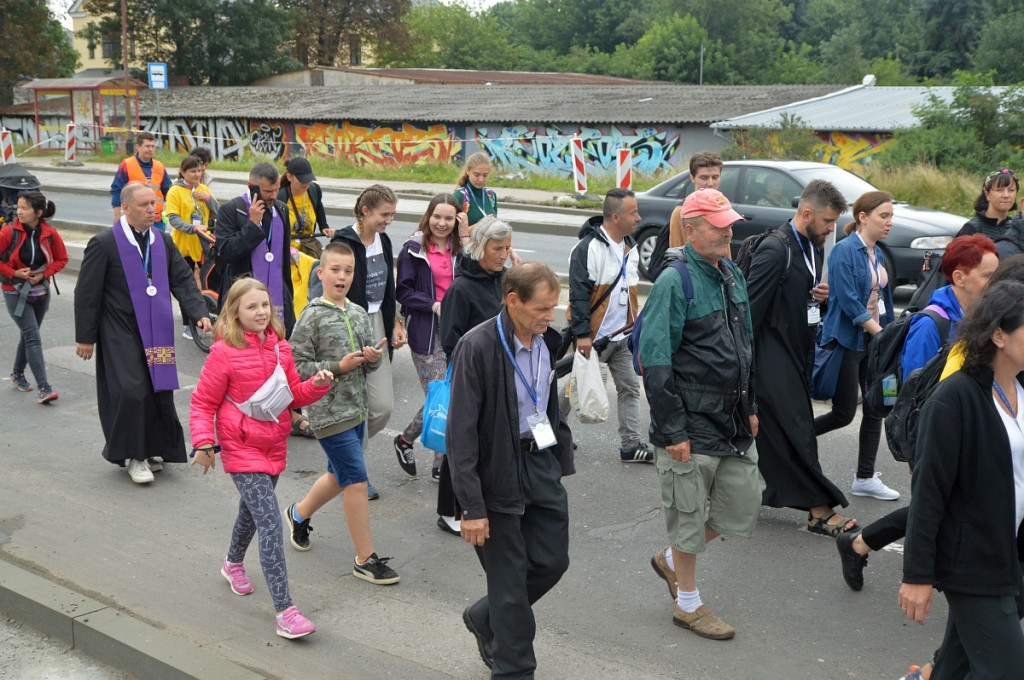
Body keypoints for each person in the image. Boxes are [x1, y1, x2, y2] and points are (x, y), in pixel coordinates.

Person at [835, 235, 1000, 594]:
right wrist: (918, 452)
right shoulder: (933, 324)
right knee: (938, 506)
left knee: (944, 506)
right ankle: (869, 547)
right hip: (933, 434)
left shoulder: (978, 317)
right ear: (960, 277)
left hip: (969, 432)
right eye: (988, 276)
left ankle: (860, 544)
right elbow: (914, 398)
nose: (995, 283)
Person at [640, 189, 762, 641]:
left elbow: (745, 344)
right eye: (718, 225)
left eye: (729, 223)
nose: (728, 232)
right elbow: (653, 359)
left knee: (744, 504)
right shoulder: (675, 281)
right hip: (688, 422)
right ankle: (687, 604)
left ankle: (670, 560)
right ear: (690, 231)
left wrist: (750, 407)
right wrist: (672, 429)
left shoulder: (730, 272)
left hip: (729, 419)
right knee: (688, 516)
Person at [188, 277, 332, 640]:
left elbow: (290, 394)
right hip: (240, 448)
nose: (261, 312)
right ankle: (286, 611)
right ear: (235, 311)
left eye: (265, 305)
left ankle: (231, 563)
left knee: (251, 512)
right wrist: (204, 443)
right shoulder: (223, 352)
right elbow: (203, 403)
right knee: (269, 522)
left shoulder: (281, 348)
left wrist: (316, 386)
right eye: (252, 306)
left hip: (274, 444)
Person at [449, 261, 574, 676]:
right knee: (509, 584)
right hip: (496, 472)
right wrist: (471, 507)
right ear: (513, 300)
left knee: (552, 561)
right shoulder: (478, 346)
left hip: (538, 461)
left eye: (554, 307)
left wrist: (558, 461)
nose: (550, 317)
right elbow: (461, 435)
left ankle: (486, 617)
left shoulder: (546, 340)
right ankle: (514, 669)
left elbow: (547, 405)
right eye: (542, 308)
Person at [899, 279, 1024, 679]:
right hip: (974, 561)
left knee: (955, 664)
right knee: (1006, 670)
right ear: (1000, 335)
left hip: (1012, 553)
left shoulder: (1020, 388)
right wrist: (917, 575)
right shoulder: (954, 399)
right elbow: (929, 492)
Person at [74, 183, 211, 484]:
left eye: (154, 204)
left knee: (158, 389)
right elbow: (87, 293)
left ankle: (155, 449)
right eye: (145, 205)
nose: (152, 210)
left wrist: (199, 312)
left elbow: (182, 279)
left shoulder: (161, 240)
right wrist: (85, 337)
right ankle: (134, 456)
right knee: (132, 391)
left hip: (157, 329)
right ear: (125, 208)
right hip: (119, 330)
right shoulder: (105, 243)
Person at [284, 242, 400, 586]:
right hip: (328, 413)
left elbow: (368, 361)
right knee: (357, 480)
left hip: (357, 408)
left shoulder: (359, 313)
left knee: (339, 475)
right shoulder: (312, 315)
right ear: (320, 273)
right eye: (335, 270)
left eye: (348, 271)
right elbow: (297, 366)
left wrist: (373, 357)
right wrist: (336, 366)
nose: (342, 276)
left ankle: (298, 514)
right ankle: (365, 558)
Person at [746, 180, 855, 536]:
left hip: (797, 353)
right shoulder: (777, 249)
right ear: (806, 213)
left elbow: (796, 297)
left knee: (779, 434)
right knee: (798, 431)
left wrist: (817, 297)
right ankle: (819, 510)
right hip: (769, 358)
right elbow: (748, 313)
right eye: (826, 221)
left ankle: (738, 492)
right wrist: (747, 370)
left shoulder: (812, 246)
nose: (830, 228)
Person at [814, 191, 899, 502]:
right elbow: (849, 301)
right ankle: (789, 447)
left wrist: (890, 332)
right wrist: (881, 333)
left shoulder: (877, 251)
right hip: (849, 340)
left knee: (877, 407)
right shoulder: (844, 251)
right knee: (844, 413)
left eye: (891, 216)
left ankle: (864, 477)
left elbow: (884, 298)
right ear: (863, 217)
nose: (890, 222)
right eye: (884, 216)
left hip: (874, 340)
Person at [330, 184, 408, 500]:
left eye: (392, 215)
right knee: (355, 404)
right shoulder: (344, 243)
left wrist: (397, 321)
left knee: (381, 407)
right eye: (384, 215)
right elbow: (330, 289)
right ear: (365, 211)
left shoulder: (384, 240)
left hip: (378, 325)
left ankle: (345, 459)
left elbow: (388, 286)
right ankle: (353, 469)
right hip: (349, 327)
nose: (388, 221)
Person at [565, 188, 653, 463]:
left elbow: (629, 292)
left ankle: (630, 444)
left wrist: (633, 326)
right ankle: (551, 433)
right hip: (595, 337)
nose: (639, 217)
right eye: (633, 213)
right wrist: (583, 335)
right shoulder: (588, 249)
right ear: (616, 217)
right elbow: (578, 294)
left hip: (622, 336)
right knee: (574, 387)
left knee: (629, 388)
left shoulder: (630, 247)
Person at [436, 216, 512, 531]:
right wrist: (474, 369)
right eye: (498, 248)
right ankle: (449, 511)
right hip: (472, 378)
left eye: (507, 247)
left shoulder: (508, 280)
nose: (504, 254)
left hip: (505, 374)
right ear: (479, 248)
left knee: (491, 442)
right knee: (463, 444)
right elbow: (450, 340)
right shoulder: (461, 289)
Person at [393, 194, 466, 498]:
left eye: (449, 218)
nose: (442, 223)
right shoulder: (414, 249)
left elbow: (476, 277)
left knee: (454, 394)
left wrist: (466, 238)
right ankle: (441, 462)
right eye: (437, 216)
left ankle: (406, 440)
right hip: (428, 331)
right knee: (442, 395)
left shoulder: (462, 249)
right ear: (428, 216)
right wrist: (433, 305)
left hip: (460, 330)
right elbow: (404, 292)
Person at [0, 191, 68, 404]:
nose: (19, 211)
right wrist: (15, 274)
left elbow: (62, 259)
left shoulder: (50, 233)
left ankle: (17, 374)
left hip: (41, 292)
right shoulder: (8, 233)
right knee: (32, 336)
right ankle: (44, 388)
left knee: (29, 334)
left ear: (38, 212)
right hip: (14, 291)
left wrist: (43, 274)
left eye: (24, 208)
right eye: (18, 207)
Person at [215, 162, 294, 333]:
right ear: (251, 187)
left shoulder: (281, 209)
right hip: (242, 300)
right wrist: (252, 225)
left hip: (277, 295)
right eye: (267, 192)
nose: (273, 196)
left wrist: (289, 296)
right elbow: (226, 252)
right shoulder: (231, 210)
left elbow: (284, 261)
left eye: (276, 190)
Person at [165, 155, 218, 340]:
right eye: (192, 171)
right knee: (186, 287)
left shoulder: (203, 189)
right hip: (183, 246)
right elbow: (173, 219)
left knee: (206, 283)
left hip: (203, 246)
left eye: (199, 171)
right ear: (182, 172)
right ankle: (188, 324)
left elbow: (220, 213)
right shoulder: (175, 191)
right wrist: (193, 228)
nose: (197, 174)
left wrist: (208, 198)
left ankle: (206, 315)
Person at [647, 151, 723, 281]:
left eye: (715, 177)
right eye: (704, 178)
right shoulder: (681, 212)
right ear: (692, 178)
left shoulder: (721, 208)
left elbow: (725, 253)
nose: (710, 183)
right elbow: (678, 260)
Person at [110, 131, 171, 224]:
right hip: (136, 220)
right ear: (138, 147)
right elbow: (116, 190)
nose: (150, 149)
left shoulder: (159, 166)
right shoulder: (127, 165)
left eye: (153, 146)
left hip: (157, 220)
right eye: (147, 146)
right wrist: (117, 216)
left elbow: (169, 192)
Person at [279, 156, 331, 259]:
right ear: (289, 177)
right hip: (288, 250)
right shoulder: (280, 196)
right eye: (302, 180)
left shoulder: (313, 190)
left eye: (308, 179)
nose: (306, 183)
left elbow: (318, 207)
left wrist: (324, 226)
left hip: (309, 248)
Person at [956, 168, 1018, 240]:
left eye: (1011, 190)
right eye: (999, 190)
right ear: (987, 194)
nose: (1006, 195)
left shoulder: (1016, 228)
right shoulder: (973, 229)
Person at [454, 152, 498, 229]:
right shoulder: (460, 196)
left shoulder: (491, 195)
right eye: (477, 175)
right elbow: (454, 233)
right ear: (468, 171)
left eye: (485, 175)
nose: (481, 180)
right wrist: (481, 225)